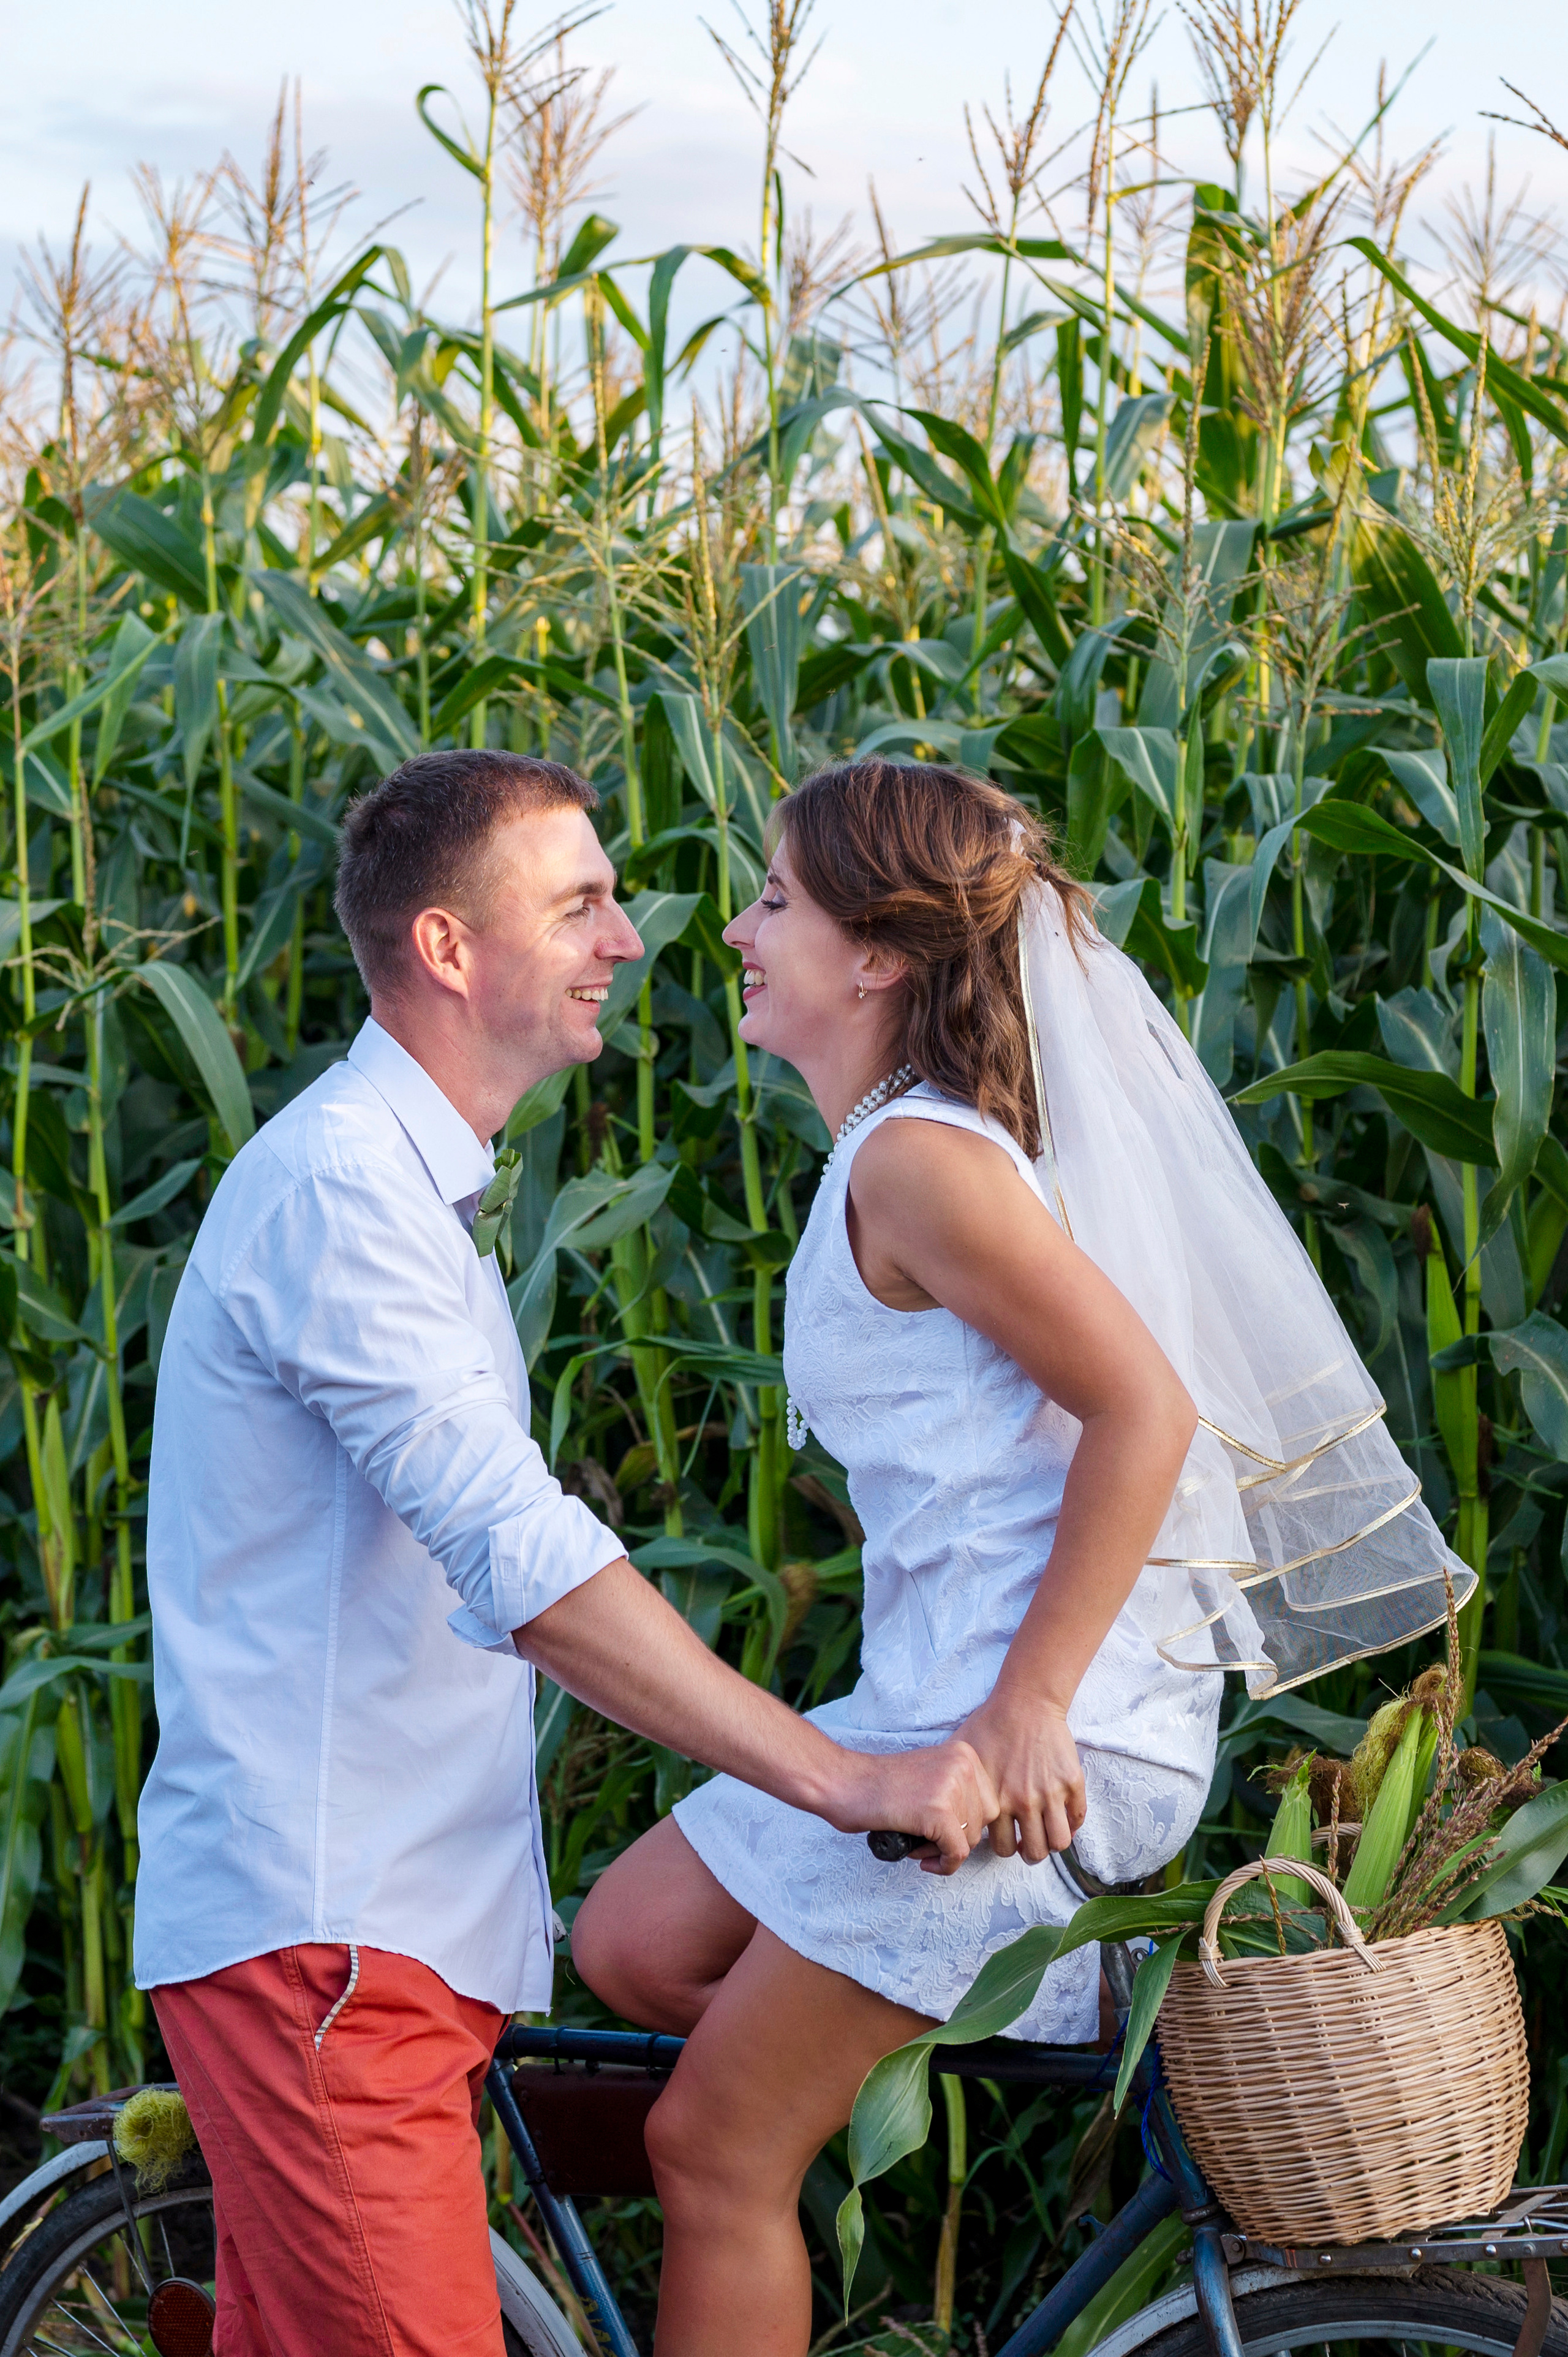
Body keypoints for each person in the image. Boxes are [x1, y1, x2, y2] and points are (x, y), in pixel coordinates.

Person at [573, 756, 1471, 2357]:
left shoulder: (925, 1163)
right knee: (631, 1946)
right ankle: (1021, 2004)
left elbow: (1150, 1412)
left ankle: (992, 1987)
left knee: (710, 2152)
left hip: (1031, 1736)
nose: (733, 929)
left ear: (875, 957)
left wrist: (1030, 1711)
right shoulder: (900, 1151)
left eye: (775, 898)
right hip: (928, 1707)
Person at [134, 749, 995, 2357]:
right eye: (579, 904)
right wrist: (837, 1778)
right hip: (333, 1951)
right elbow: (521, 1562)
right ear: (452, 950)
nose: (630, 938)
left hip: (386, 1948)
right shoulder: (341, 1197)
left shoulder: (406, 1188)